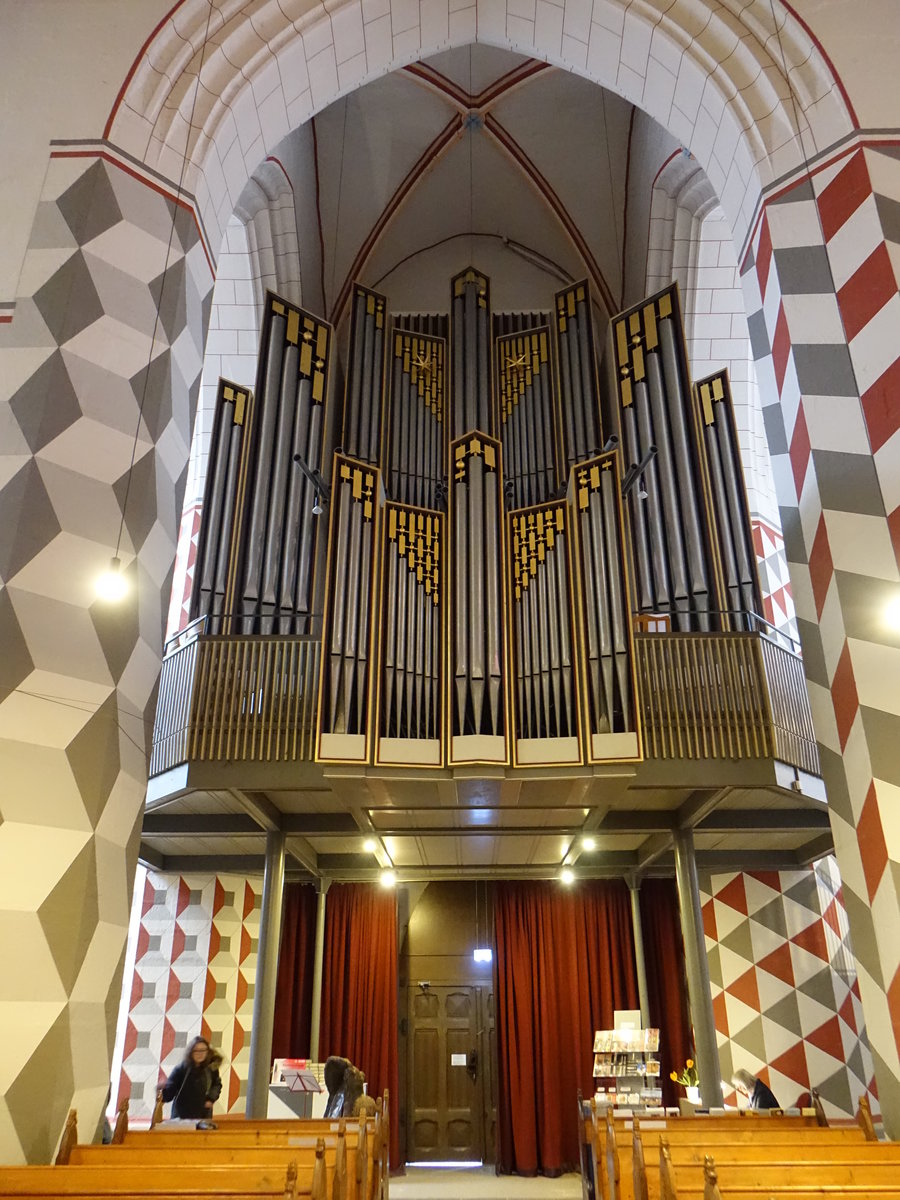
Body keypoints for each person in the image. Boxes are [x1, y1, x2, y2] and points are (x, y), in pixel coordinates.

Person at [161, 1037, 223, 1120]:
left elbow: (217, 1085)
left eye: (203, 1050)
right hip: (181, 1117)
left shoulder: (211, 1069)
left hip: (203, 1115)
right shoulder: (181, 1069)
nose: (200, 1053)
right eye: (196, 1050)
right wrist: (163, 1089)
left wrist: (211, 1099)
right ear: (190, 1052)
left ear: (207, 1052)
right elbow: (168, 1095)